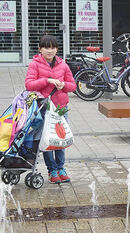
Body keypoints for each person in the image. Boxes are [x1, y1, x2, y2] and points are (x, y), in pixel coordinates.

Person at [25, 35, 76, 184]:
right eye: (46, 47)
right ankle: (51, 170)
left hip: (61, 109)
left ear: (57, 49)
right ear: (40, 49)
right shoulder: (35, 64)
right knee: (47, 140)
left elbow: (72, 85)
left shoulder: (63, 65)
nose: (50, 50)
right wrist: (47, 80)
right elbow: (29, 85)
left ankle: (61, 168)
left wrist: (63, 85)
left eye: (53, 47)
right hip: (43, 108)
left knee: (60, 139)